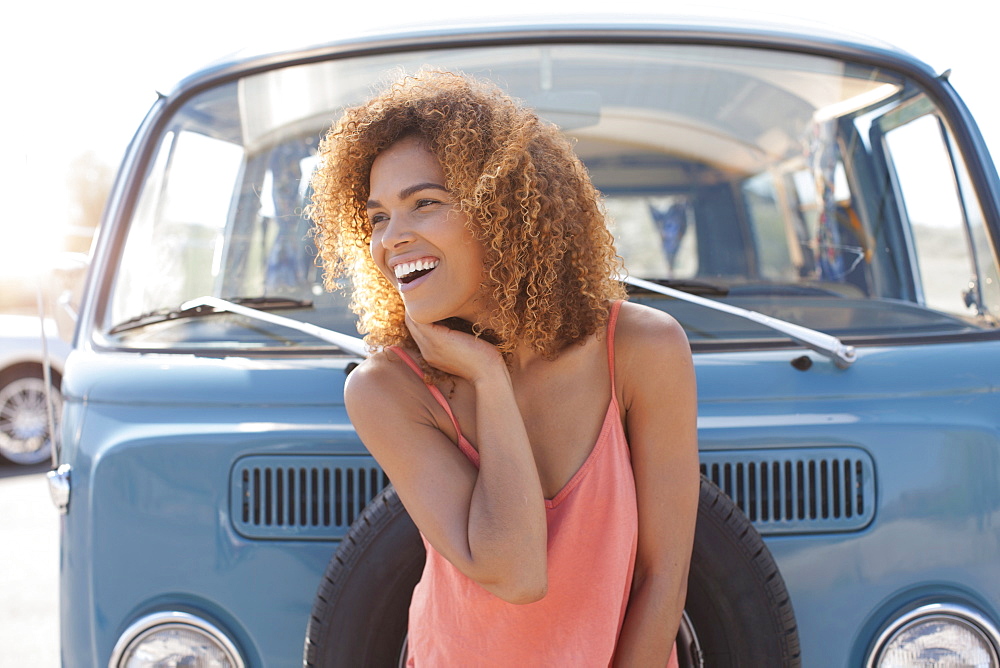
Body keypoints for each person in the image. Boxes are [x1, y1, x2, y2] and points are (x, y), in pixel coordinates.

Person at [310, 69, 699, 667]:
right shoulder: (387, 390)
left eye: (424, 204)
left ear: (503, 211)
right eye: (379, 217)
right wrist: (488, 378)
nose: (392, 239)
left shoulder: (643, 349)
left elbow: (662, 577)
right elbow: (516, 572)